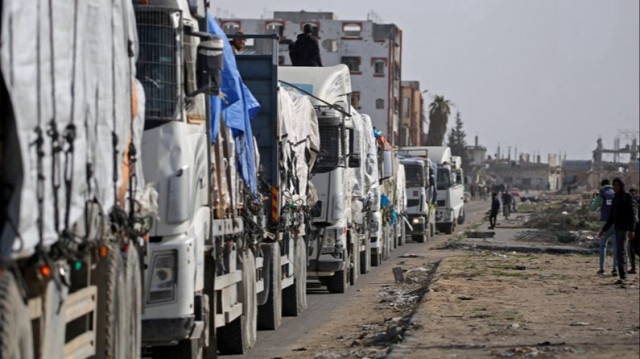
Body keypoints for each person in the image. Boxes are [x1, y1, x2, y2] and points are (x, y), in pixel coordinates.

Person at [599, 178, 638, 285]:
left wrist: (632, 230)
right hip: (617, 228)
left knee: (621, 251)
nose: (616, 187)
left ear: (621, 186)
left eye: (618, 185)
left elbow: (632, 215)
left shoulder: (626, 197)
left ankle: (623, 276)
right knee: (620, 252)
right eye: (614, 185)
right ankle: (622, 275)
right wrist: (604, 230)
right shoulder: (616, 198)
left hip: (625, 229)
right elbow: (611, 217)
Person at [589, 179, 617, 275]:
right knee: (616, 247)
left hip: (605, 224)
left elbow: (593, 208)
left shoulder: (602, 194)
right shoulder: (616, 193)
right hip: (616, 224)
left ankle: (602, 269)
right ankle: (615, 269)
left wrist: (593, 199)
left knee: (603, 246)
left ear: (602, 185)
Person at [628, 186, 639, 274]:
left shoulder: (632, 202)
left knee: (632, 248)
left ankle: (633, 268)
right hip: (634, 228)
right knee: (633, 248)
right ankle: (633, 268)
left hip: (635, 228)